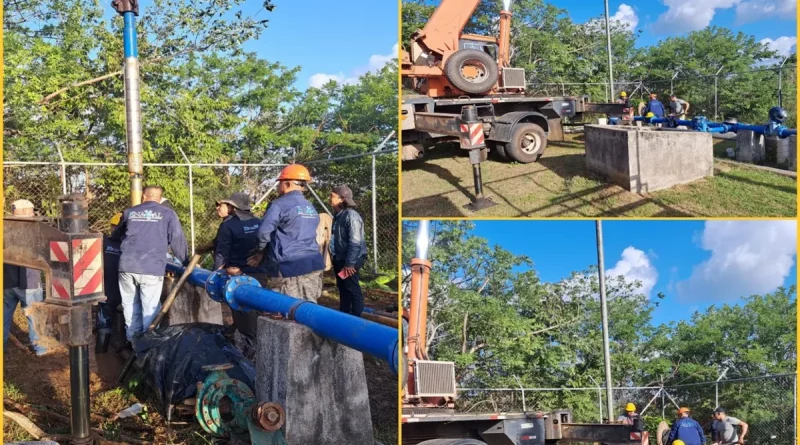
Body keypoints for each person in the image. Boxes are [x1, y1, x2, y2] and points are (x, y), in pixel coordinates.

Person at [111, 185, 188, 344]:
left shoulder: (130, 212)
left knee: (130, 308)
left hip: (127, 266)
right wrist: (186, 262)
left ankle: (133, 343)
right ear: (159, 199)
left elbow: (116, 234)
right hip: (151, 268)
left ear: (143, 196)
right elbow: (177, 240)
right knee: (150, 310)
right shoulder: (168, 214)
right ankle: (148, 348)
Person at [248, 165, 324, 302]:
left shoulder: (279, 205)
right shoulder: (310, 207)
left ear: (287, 184)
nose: (278, 187)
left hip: (289, 267)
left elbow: (262, 233)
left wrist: (260, 251)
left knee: (285, 310)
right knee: (309, 308)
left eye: (279, 183)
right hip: (313, 264)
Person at [211, 192, 265, 342]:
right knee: (258, 307)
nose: (219, 208)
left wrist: (217, 274)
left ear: (232, 207)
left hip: (237, 276)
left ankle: (249, 344)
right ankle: (261, 340)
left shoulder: (228, 226)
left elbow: (222, 253)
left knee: (242, 311)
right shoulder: (259, 222)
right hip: (259, 272)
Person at [3, 199, 47, 356]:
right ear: (24, 212)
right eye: (30, 210)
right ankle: (40, 349)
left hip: (7, 281)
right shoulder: (32, 229)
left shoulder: (5, 227)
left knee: (5, 315)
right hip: (29, 281)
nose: (33, 212)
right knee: (34, 315)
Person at [329, 185, 368, 316]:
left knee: (351, 287)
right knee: (343, 287)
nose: (330, 198)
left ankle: (356, 317)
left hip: (352, 259)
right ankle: (344, 314)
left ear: (341, 199)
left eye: (332, 196)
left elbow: (355, 242)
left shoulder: (351, 216)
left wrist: (350, 263)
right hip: (341, 258)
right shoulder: (338, 215)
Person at [96, 212, 123, 353]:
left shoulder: (104, 242)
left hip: (108, 289)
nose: (114, 229)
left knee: (104, 320)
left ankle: (102, 352)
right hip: (116, 290)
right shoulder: (128, 244)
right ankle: (105, 351)